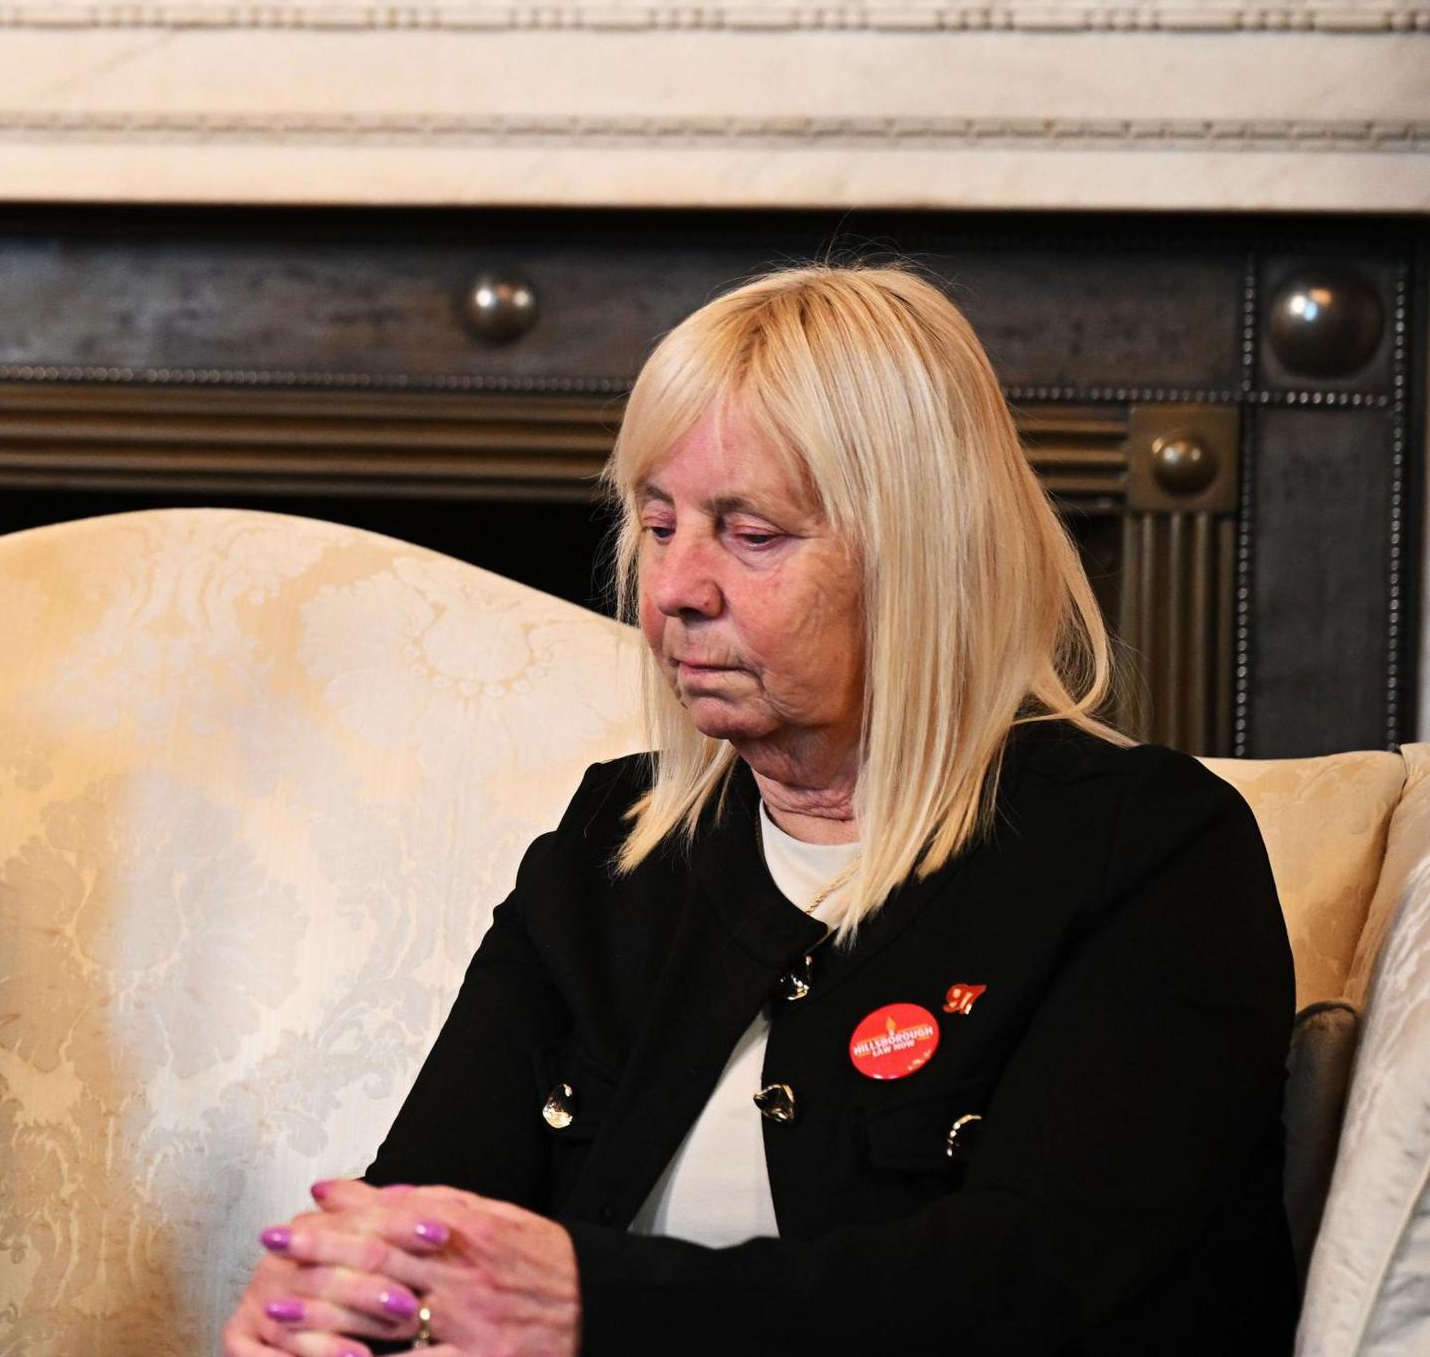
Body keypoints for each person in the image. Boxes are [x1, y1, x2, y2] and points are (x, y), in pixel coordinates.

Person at [224, 265, 1296, 1355]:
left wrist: (594, 1300)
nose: (673, 590)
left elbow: (1025, 1286)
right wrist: (339, 1299)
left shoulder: (1148, 852)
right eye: (656, 524)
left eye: (750, 534)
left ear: (916, 558)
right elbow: (425, 1203)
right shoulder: (617, 840)